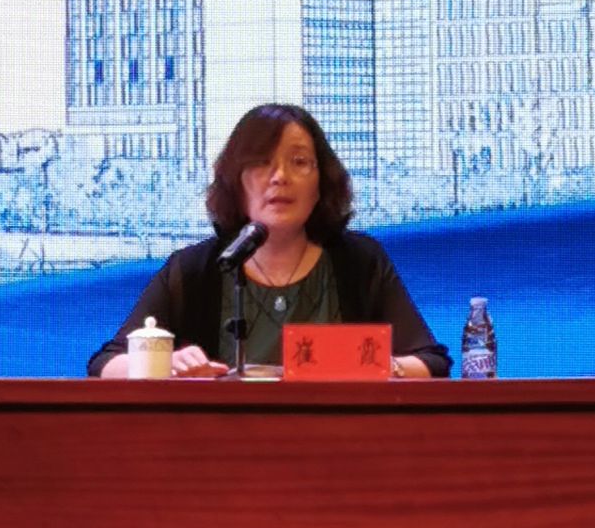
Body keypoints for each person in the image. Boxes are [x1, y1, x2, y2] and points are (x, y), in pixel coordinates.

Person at [87, 103, 450, 379]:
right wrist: (163, 363)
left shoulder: (359, 261)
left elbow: (431, 362)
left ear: (321, 182)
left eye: (299, 162)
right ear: (235, 181)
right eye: (261, 162)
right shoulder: (194, 269)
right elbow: (105, 363)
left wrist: (379, 366)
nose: (280, 177)